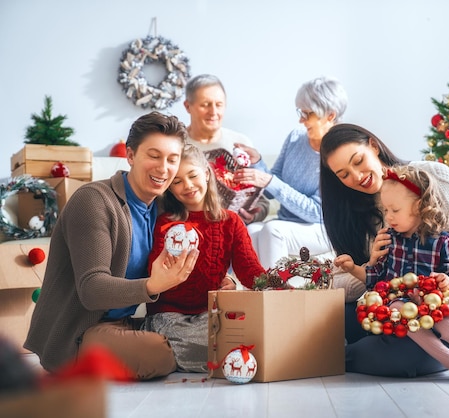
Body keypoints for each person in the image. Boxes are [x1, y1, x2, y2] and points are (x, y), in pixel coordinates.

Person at [24, 112, 198, 380]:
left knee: (199, 332)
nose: (164, 168)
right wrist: (153, 285)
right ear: (130, 156)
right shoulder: (93, 201)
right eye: (154, 155)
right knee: (159, 354)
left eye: (172, 159)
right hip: (81, 331)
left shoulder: (162, 208)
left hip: (125, 323)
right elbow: (92, 289)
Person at [319, 123, 449, 377]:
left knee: (401, 356)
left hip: (439, 318)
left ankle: (341, 356)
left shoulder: (432, 176)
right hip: (390, 314)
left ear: (373, 147)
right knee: (330, 318)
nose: (356, 176)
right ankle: (350, 352)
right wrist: (370, 265)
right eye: (343, 175)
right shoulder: (353, 214)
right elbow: (358, 284)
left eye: (358, 160)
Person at [143, 143, 265, 372]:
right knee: (217, 341)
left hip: (210, 315)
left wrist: (279, 285)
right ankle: (229, 358)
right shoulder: (166, 224)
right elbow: (154, 275)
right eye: (177, 181)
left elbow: (250, 272)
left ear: (207, 174)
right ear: (170, 188)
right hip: (170, 316)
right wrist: (171, 262)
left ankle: (233, 357)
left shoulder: (231, 222)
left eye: (192, 176)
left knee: (253, 330)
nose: (187, 186)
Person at [233, 76, 347, 268]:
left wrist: (269, 181)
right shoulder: (295, 138)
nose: (301, 119)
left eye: (308, 114)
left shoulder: (339, 153)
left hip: (323, 227)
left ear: (330, 115)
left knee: (272, 230)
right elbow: (271, 188)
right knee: (251, 230)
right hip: (287, 223)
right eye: (300, 112)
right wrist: (258, 162)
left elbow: (316, 212)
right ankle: (254, 294)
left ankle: (278, 295)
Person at [184, 73, 269, 225]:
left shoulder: (240, 144)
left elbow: (262, 201)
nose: (213, 112)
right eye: (205, 104)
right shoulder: (176, 144)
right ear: (188, 106)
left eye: (219, 104)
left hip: (232, 228)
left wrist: (254, 215)